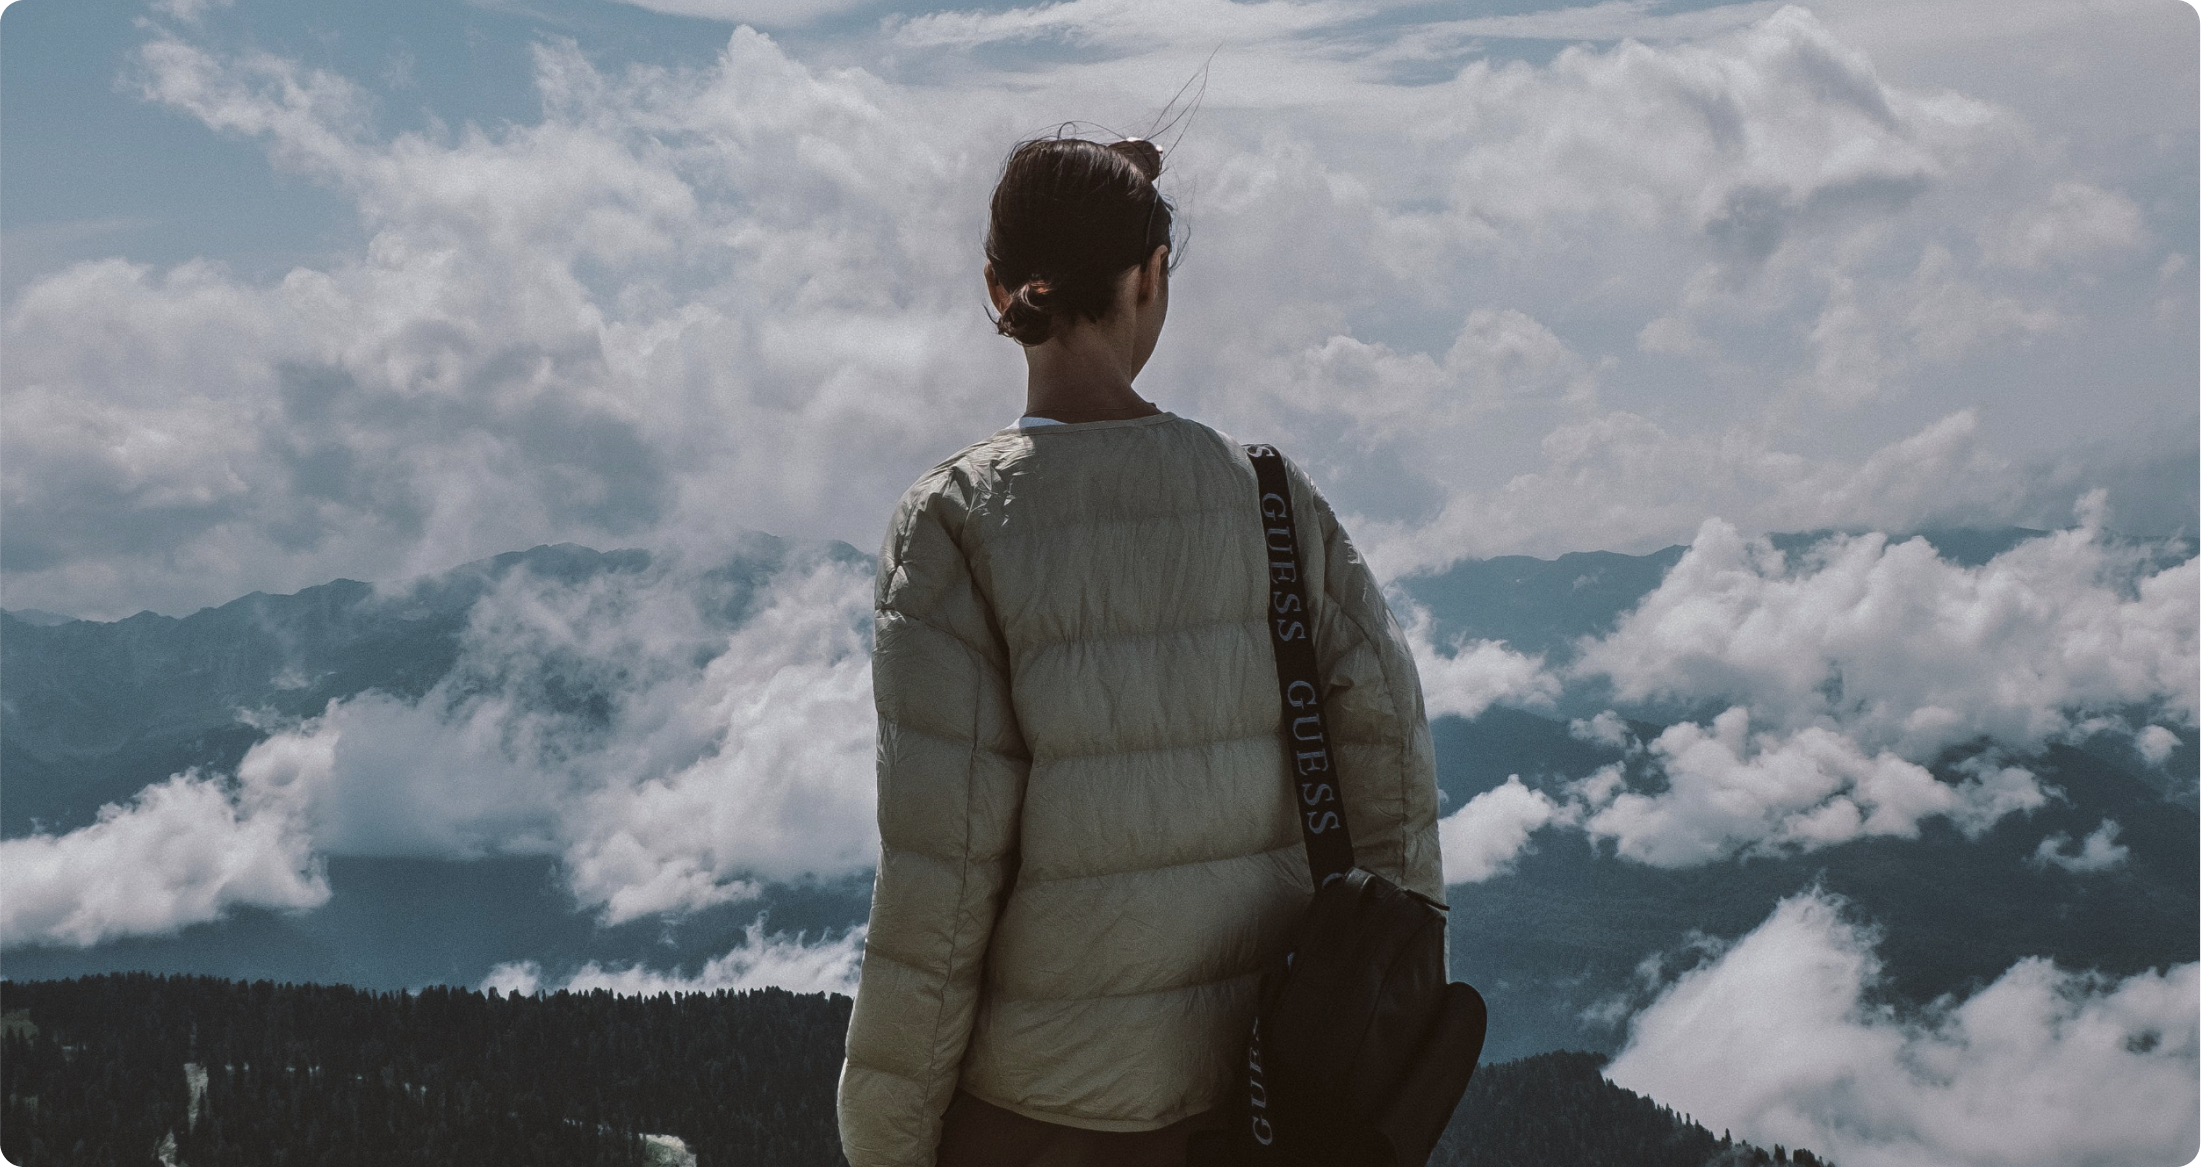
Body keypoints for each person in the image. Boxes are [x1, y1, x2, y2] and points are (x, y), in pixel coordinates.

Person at [836, 134, 1444, 1167]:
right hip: (1263, 1098)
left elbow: (941, 878)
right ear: (1151, 276)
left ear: (997, 286)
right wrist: (1383, 1025)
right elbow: (1385, 768)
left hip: (1040, 1114)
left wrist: (888, 1139)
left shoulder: (956, 521)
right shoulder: (1267, 496)